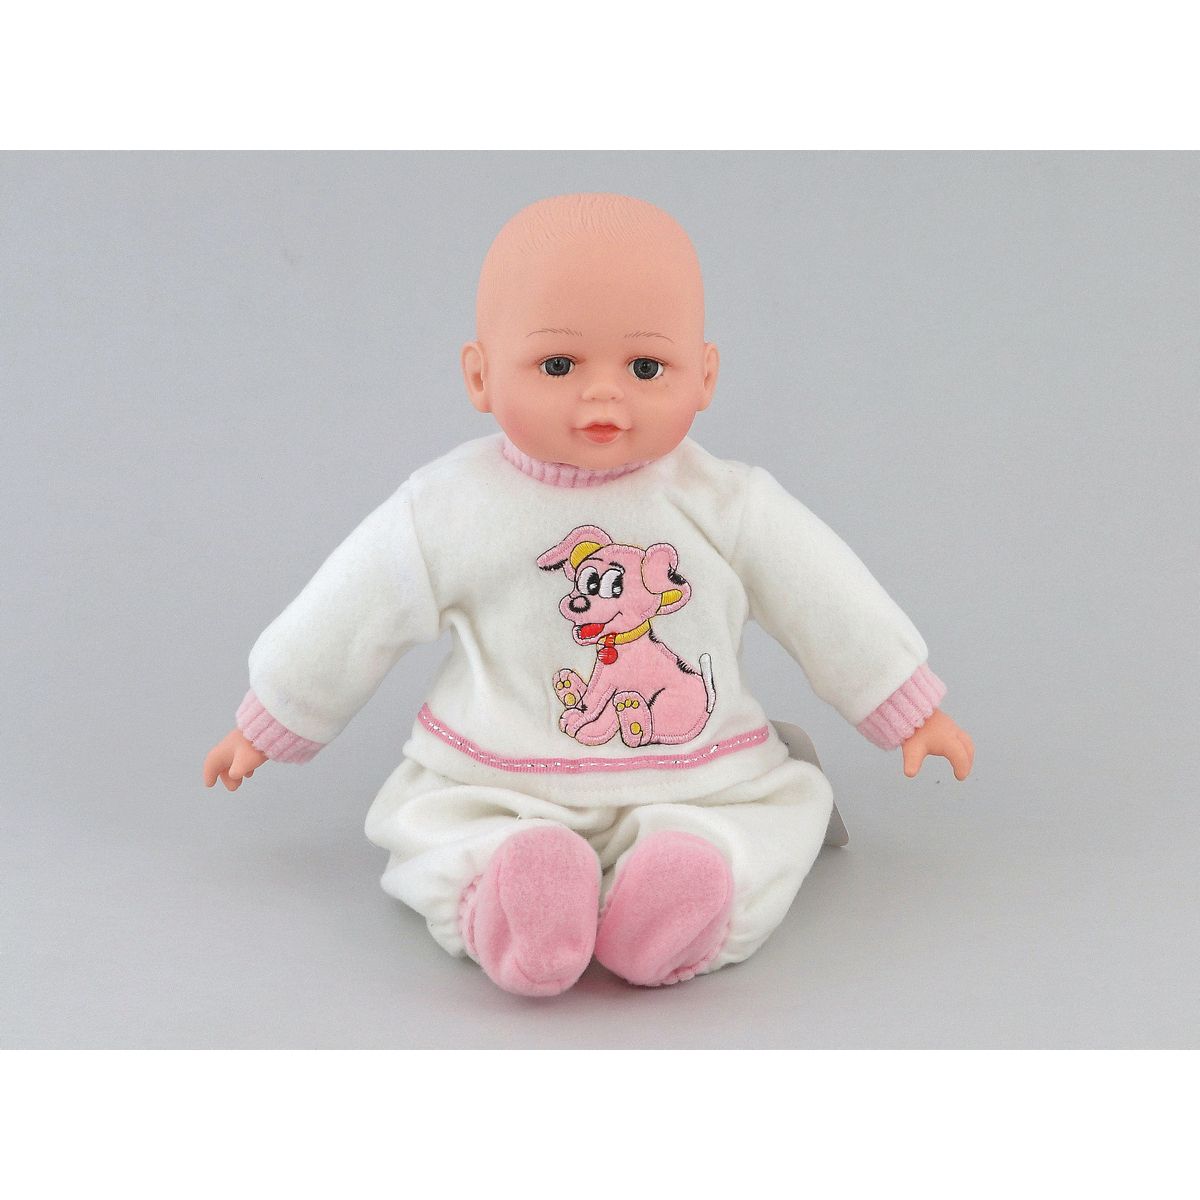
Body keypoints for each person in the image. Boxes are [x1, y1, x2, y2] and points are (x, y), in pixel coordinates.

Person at [203, 192, 974, 997]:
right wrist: (275, 714)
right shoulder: (449, 508)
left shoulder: (726, 504)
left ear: (704, 376)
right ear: (480, 375)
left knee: (755, 820)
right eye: (558, 366)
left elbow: (825, 598)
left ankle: (687, 894)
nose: (604, 397)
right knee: (448, 823)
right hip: (496, 781)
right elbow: (349, 610)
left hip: (700, 774)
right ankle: (516, 892)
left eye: (645, 368)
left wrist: (904, 704)